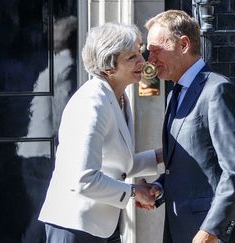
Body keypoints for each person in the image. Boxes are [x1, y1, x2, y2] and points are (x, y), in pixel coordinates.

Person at [38, 22, 163, 243]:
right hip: (75, 226)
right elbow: (84, 179)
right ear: (108, 66)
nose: (142, 62)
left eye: (140, 53)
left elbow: (117, 164)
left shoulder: (119, 99)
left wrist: (162, 156)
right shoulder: (92, 103)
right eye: (131, 57)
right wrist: (134, 191)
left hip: (103, 227)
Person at [144, 10, 235, 243]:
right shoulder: (174, 95)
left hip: (210, 234)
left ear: (184, 44)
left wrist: (212, 231)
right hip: (181, 228)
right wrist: (160, 186)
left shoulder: (217, 91)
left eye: (156, 50)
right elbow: (192, 164)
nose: (150, 60)